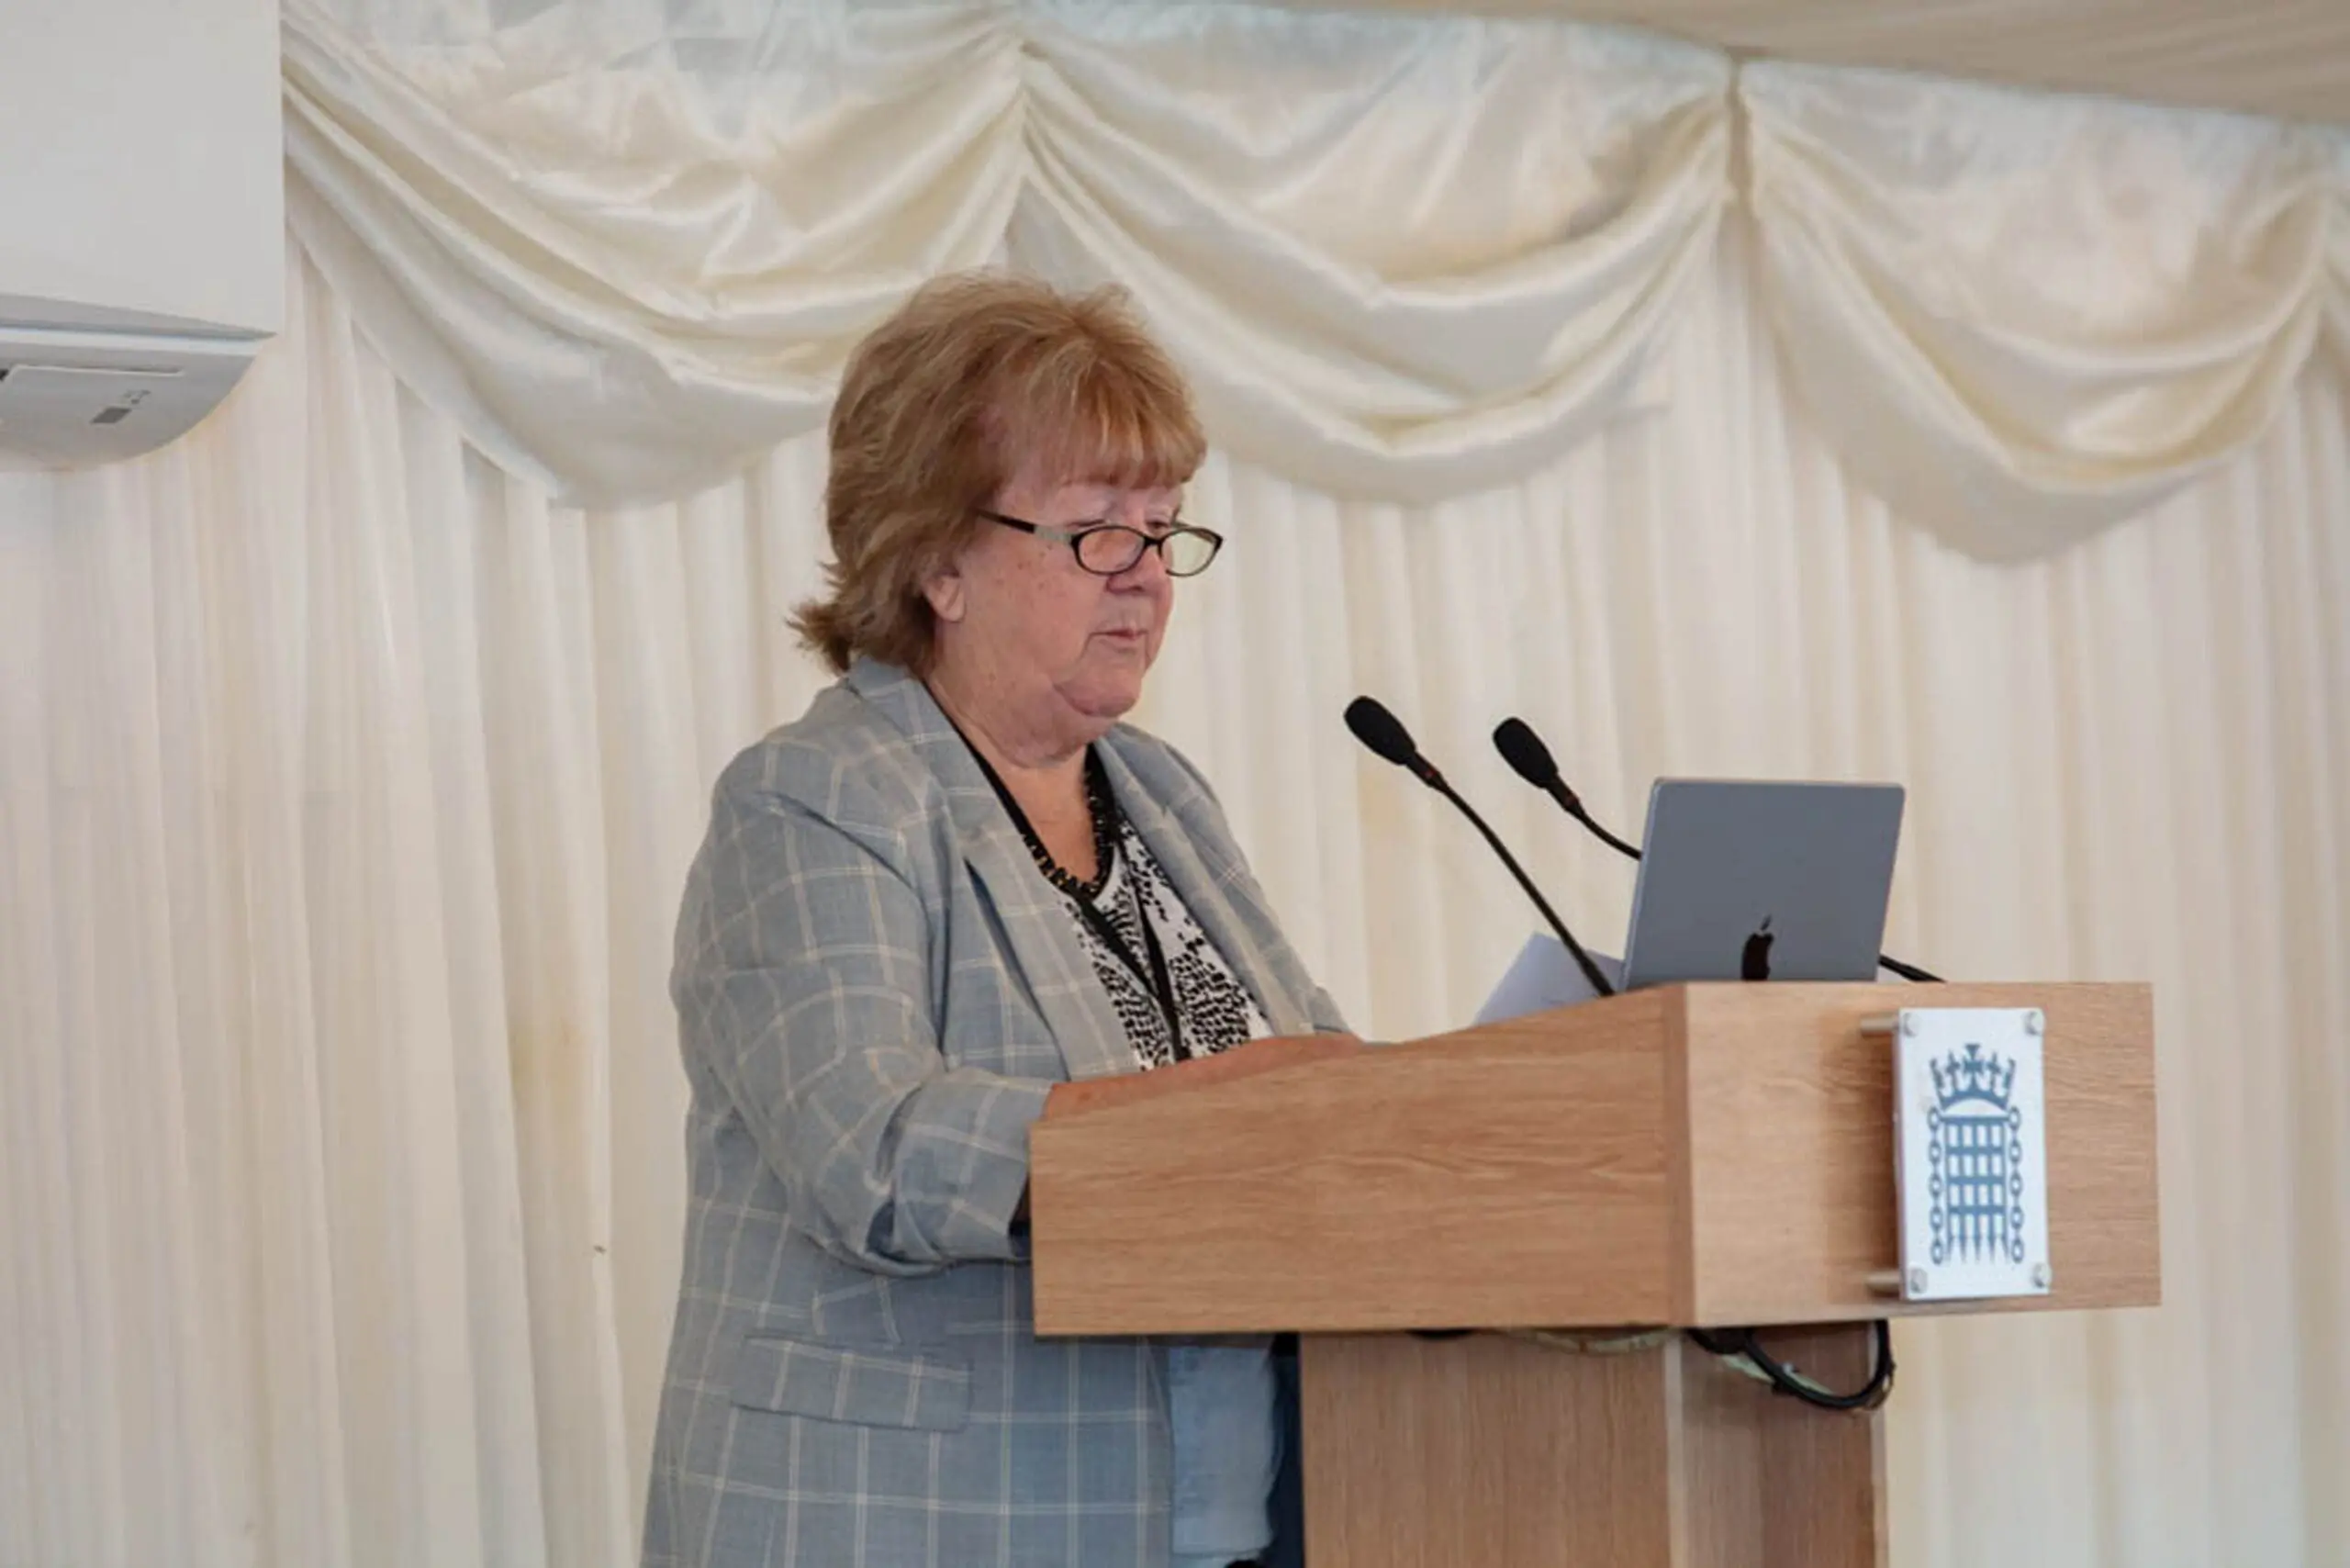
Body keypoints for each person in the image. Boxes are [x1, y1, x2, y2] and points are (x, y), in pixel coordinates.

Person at [641, 272, 1354, 1568]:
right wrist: (1205, 1128)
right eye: (1097, 533)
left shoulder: (1161, 794)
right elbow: (875, 1149)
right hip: (925, 1523)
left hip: (1227, 1528)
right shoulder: (819, 797)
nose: (1148, 580)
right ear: (937, 563)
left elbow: (1311, 1083)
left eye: (1164, 530)